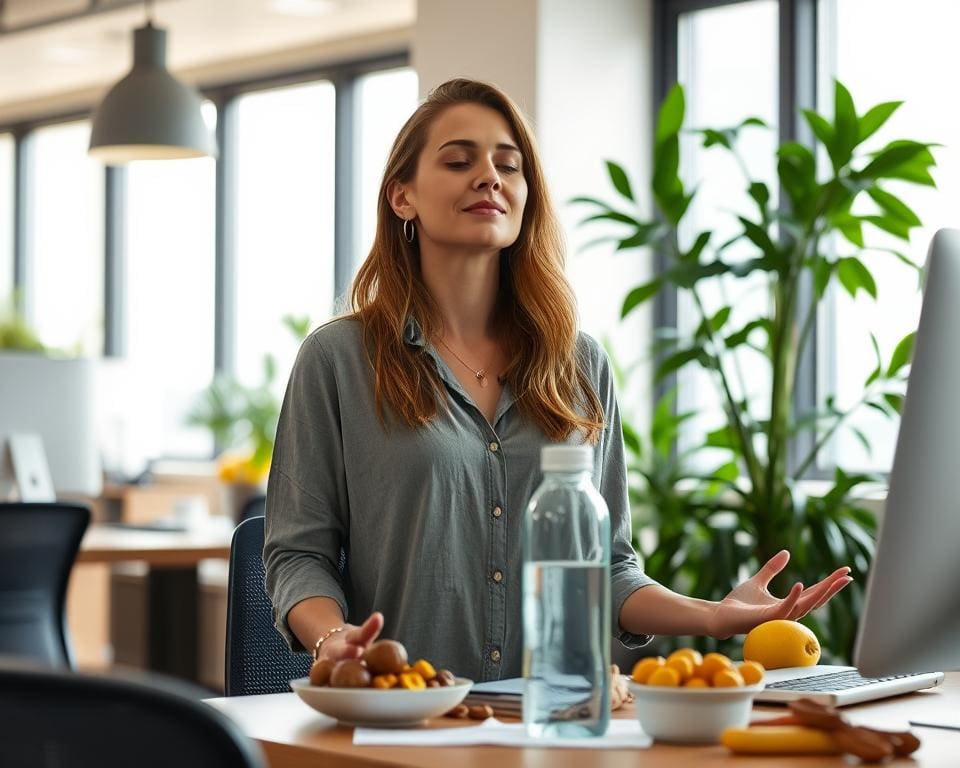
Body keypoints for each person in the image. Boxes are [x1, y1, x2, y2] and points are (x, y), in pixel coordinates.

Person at [263, 78, 852, 682]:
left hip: (556, 720)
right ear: (402, 197)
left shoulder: (581, 367)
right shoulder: (338, 359)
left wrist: (714, 616)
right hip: (404, 717)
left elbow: (612, 570)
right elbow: (297, 554)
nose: (490, 177)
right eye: (459, 160)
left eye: (509, 166)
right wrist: (333, 638)